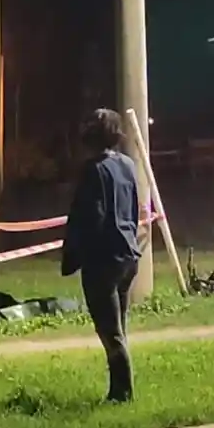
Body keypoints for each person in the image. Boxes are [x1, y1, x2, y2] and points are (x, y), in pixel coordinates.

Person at [61, 108, 141, 403]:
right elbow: (133, 208)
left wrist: (76, 254)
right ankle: (120, 388)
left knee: (109, 330)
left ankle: (122, 392)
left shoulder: (93, 169)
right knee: (119, 326)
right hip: (128, 254)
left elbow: (89, 217)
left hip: (103, 259)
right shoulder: (127, 165)